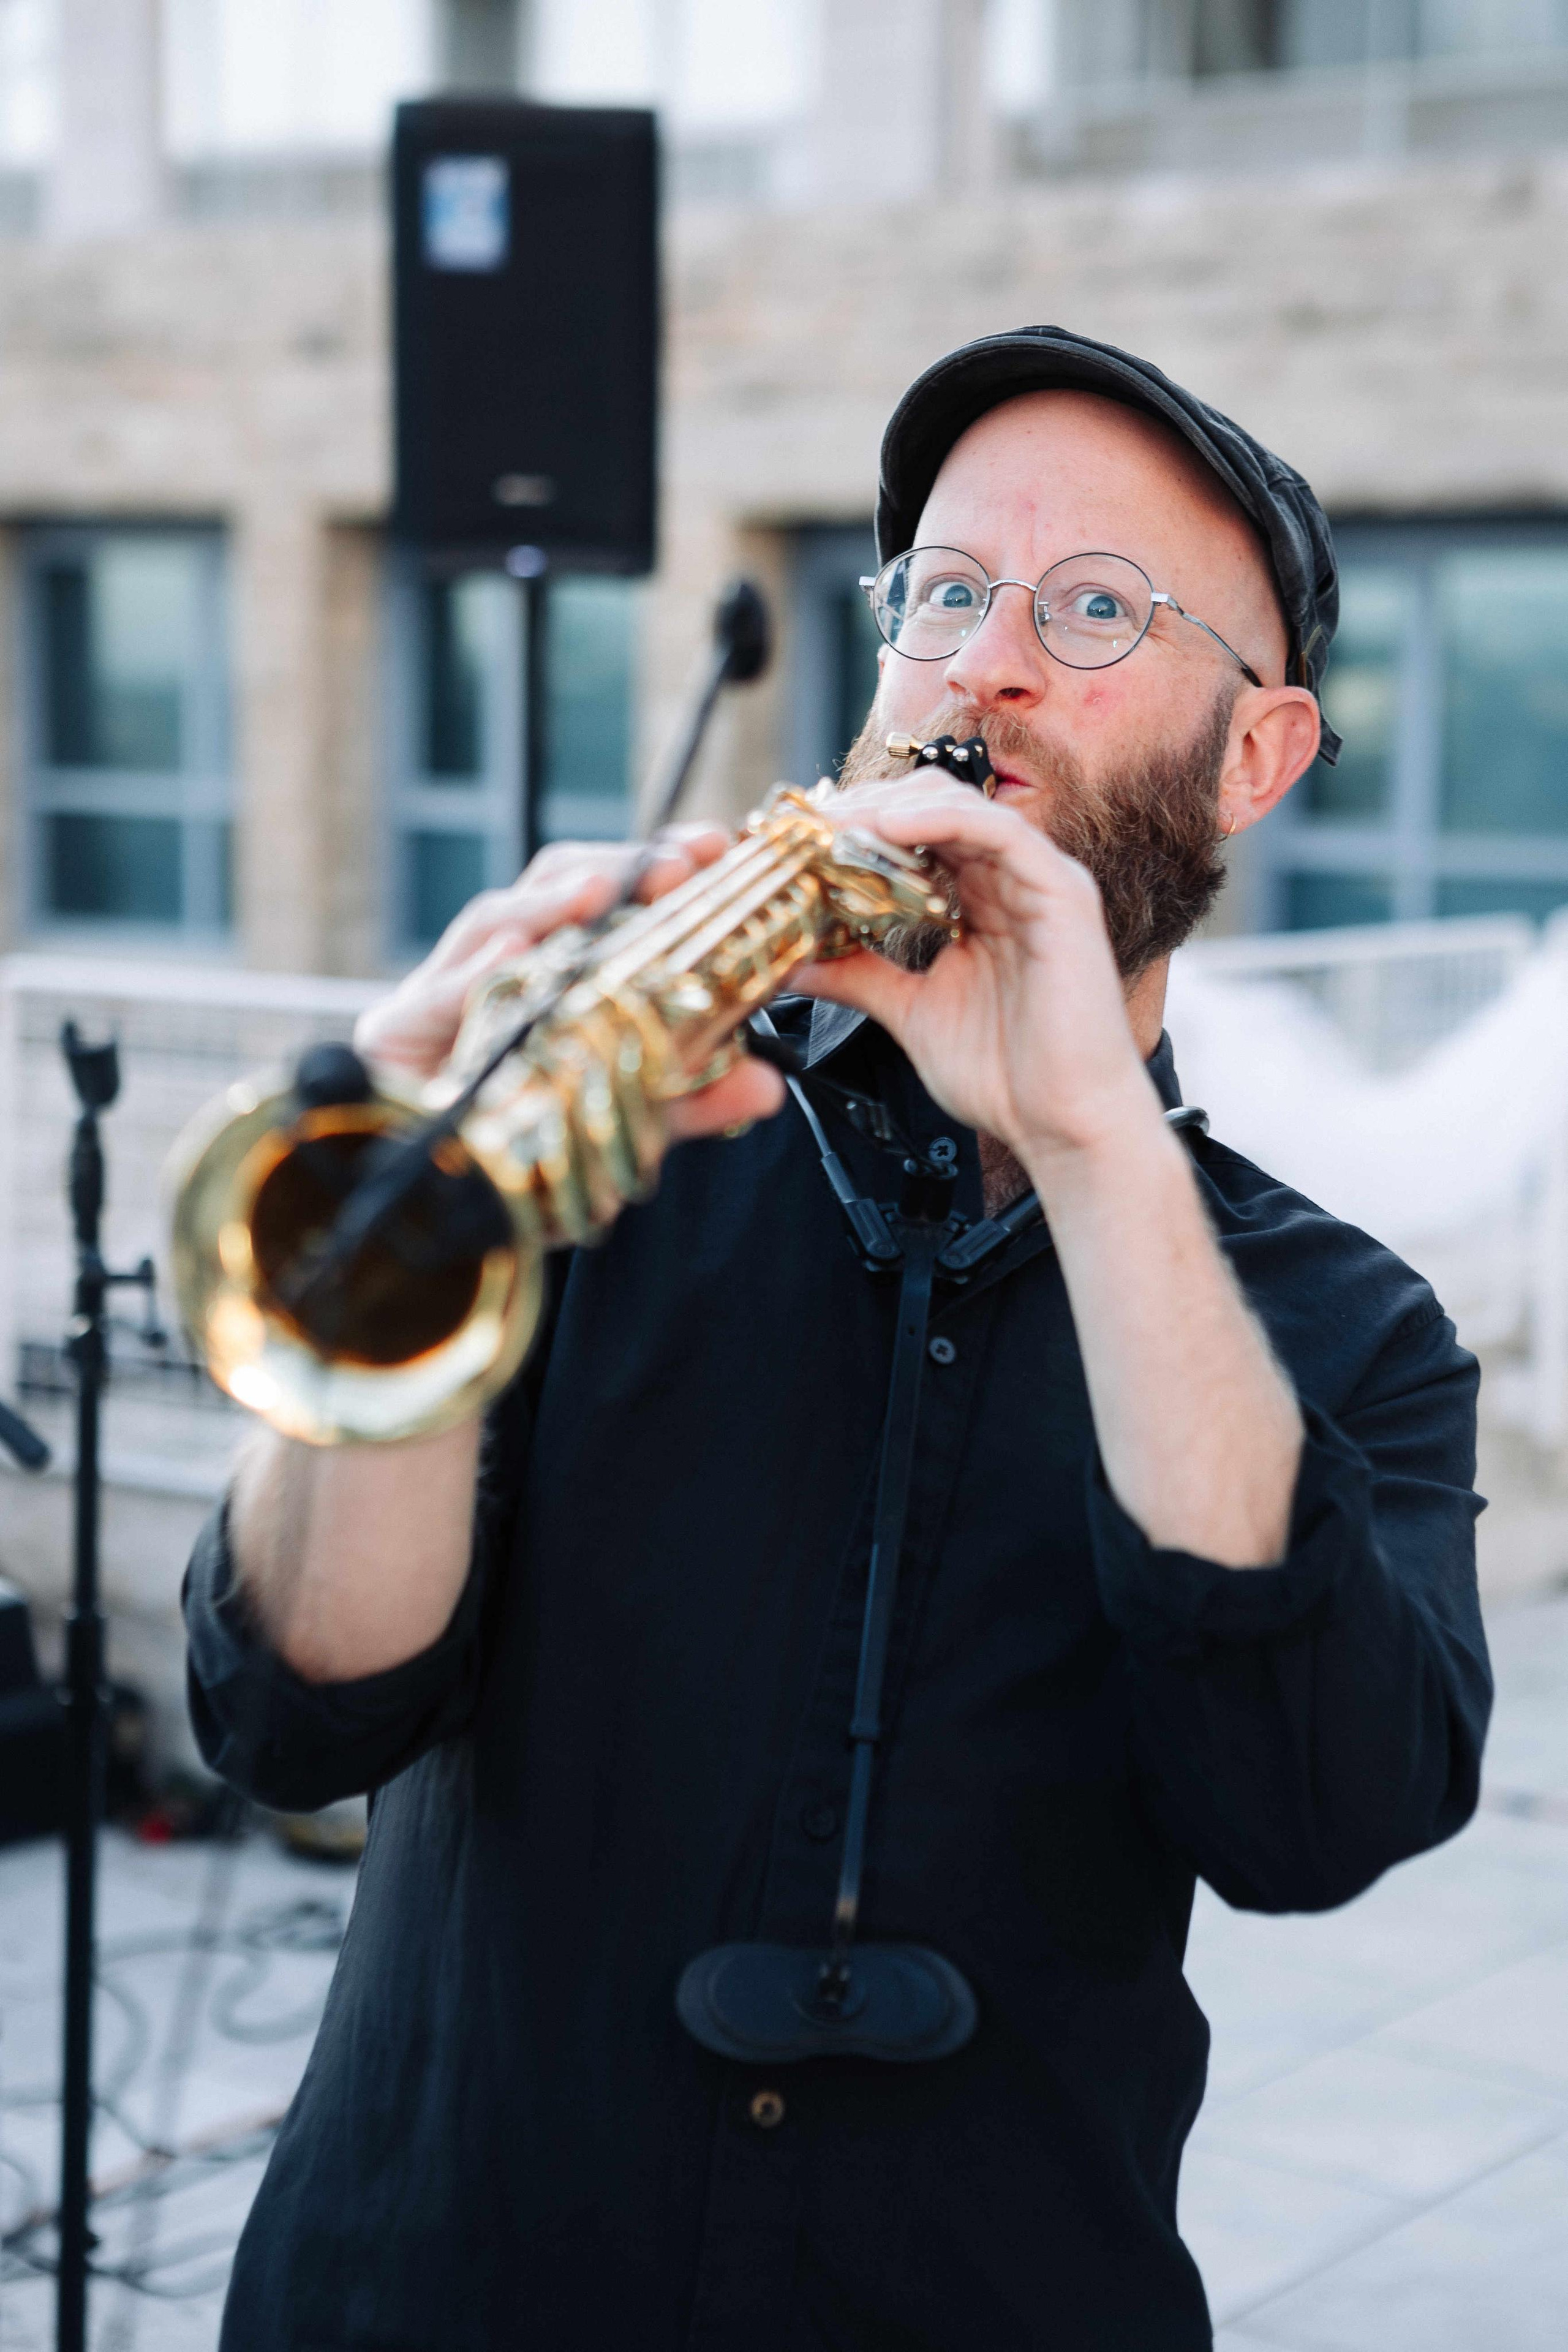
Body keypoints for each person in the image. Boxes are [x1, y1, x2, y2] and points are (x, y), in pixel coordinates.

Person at [184, 327, 1490, 2351]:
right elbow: (290, 1716)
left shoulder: (1353, 1332)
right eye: (948, 595)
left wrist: (1083, 1139)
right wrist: (413, 1193)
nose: (987, 664)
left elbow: (1318, 1816)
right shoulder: (618, 1155)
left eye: (1093, 611)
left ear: (1260, 756)